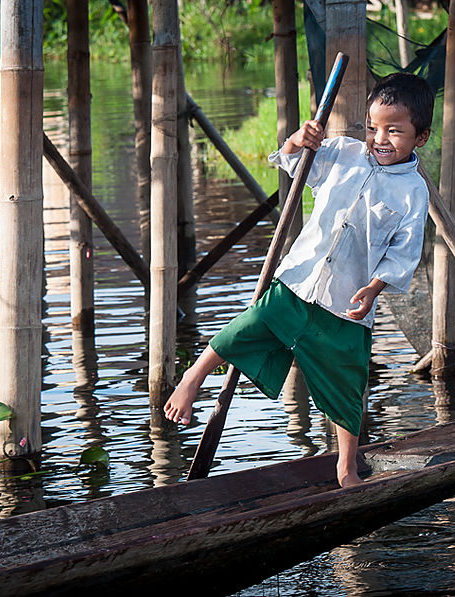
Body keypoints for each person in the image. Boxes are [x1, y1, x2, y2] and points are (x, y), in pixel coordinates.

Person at [165, 72, 434, 488]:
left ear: (421, 137)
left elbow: (404, 251)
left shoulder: (413, 192)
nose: (380, 138)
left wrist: (376, 287)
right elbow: (295, 162)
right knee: (245, 329)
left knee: (347, 382)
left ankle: (345, 466)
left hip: (346, 302)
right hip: (299, 279)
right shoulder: (344, 152)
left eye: (394, 131)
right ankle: (191, 378)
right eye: (373, 127)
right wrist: (299, 139)